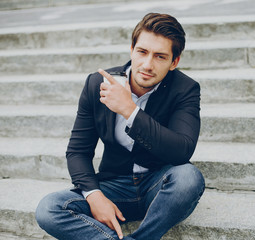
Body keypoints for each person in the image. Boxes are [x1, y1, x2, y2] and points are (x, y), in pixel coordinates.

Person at [35, 12, 205, 240]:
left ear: (174, 62)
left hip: (159, 186)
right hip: (115, 185)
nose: (147, 64)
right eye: (142, 52)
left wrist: (130, 110)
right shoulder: (98, 84)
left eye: (160, 57)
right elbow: (78, 151)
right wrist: (94, 196)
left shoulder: (185, 89)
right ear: (131, 49)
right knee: (49, 208)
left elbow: (182, 150)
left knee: (189, 178)